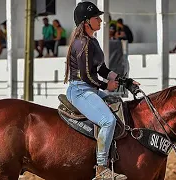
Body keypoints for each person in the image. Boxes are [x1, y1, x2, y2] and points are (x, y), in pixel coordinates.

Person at [64, 1, 140, 179]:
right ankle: (101, 168)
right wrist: (106, 86)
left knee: (118, 104)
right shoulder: (81, 44)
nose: (100, 20)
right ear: (86, 22)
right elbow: (86, 77)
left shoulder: (93, 41)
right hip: (80, 91)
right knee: (108, 121)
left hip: (90, 88)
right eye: (96, 17)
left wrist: (124, 81)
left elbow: (103, 70)